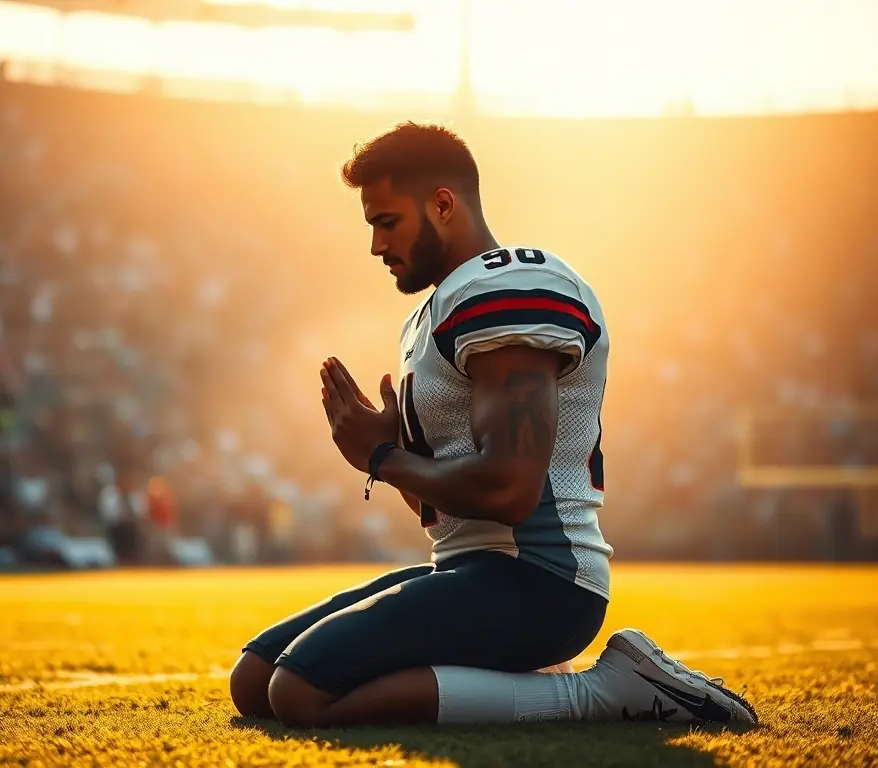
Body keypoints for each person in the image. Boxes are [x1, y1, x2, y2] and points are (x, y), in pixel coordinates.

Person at [229, 122, 758, 729]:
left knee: (301, 692)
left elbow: (509, 490)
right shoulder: (432, 313)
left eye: (387, 222)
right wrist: (397, 452)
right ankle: (520, 680)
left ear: (443, 205)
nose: (376, 245)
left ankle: (604, 692)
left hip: (541, 581)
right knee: (255, 679)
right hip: (465, 569)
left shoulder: (507, 286)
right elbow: (446, 507)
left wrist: (381, 458)